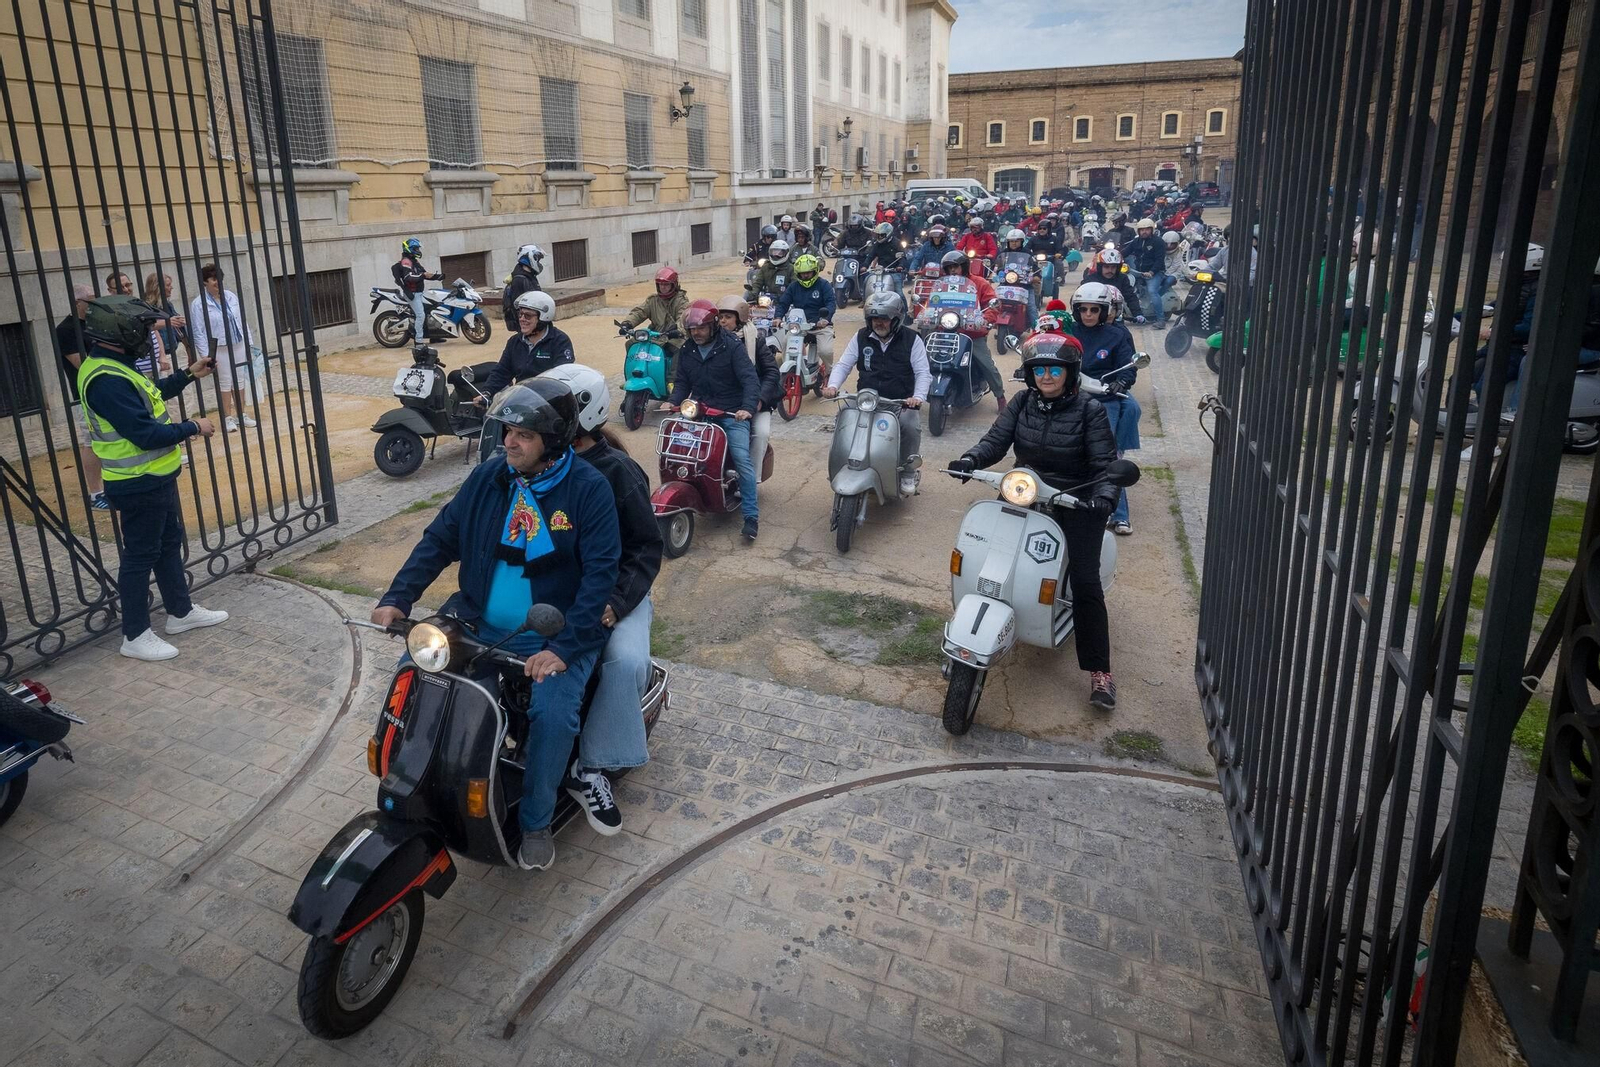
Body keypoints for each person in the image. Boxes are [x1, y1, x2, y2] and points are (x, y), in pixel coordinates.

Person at [374, 377, 620, 870]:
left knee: (552, 716)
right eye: (507, 430)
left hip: (555, 634)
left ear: (551, 441)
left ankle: (534, 821)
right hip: (477, 618)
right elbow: (440, 538)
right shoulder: (490, 478)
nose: (509, 441)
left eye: (523, 435)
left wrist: (565, 648)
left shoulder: (588, 489)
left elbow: (599, 578)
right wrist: (398, 598)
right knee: (416, 669)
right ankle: (408, 778)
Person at [948, 332, 1121, 710]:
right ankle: (973, 635)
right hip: (1023, 489)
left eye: (1054, 369)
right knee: (985, 553)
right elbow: (996, 440)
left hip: (1076, 499)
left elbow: (1105, 465)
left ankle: (1100, 671)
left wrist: (1103, 498)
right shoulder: (1023, 401)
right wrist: (971, 459)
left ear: (1070, 373)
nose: (1046, 376)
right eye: (1039, 369)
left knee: (1086, 582)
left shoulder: (1089, 411)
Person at [538, 364, 661, 835]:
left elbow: (646, 547)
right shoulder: (538, 464)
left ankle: (590, 766)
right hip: (553, 591)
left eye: (553, 413)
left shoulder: (619, 473)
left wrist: (613, 603)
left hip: (616, 595)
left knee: (624, 660)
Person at [76, 295, 228, 660]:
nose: (149, 334)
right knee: (140, 556)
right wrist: (193, 425)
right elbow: (144, 433)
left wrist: (189, 374)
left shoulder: (118, 366)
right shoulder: (104, 378)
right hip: (136, 482)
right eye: (143, 328)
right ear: (120, 331)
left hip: (156, 477)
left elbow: (151, 396)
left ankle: (180, 612)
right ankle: (135, 634)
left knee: (167, 543)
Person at [661, 300, 762, 540]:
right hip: (699, 411)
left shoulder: (732, 346)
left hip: (730, 413)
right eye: (692, 329)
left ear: (713, 325)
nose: (696, 333)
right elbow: (682, 382)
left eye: (701, 328)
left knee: (742, 460)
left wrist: (746, 408)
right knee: (679, 451)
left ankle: (751, 517)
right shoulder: (687, 350)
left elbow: (749, 379)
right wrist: (671, 401)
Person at [821, 292, 929, 497]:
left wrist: (917, 397)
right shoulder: (861, 336)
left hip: (899, 402)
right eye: (874, 318)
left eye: (884, 318)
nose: (879, 323)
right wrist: (833, 385)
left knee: (910, 426)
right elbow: (844, 364)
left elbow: (923, 372)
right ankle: (842, 464)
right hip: (865, 400)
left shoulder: (912, 339)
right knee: (843, 418)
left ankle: (907, 471)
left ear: (896, 319)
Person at [1069, 283, 1139, 536]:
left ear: (1104, 310)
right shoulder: (1067, 330)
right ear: (1076, 310)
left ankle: (1119, 515)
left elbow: (1128, 366)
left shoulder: (1116, 335)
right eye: (1083, 309)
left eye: (1094, 309)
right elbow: (1045, 346)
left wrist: (1122, 380)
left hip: (1103, 399)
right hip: (1068, 395)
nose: (1088, 314)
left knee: (1106, 456)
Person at [55, 284, 107, 510]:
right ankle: (96, 494)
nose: (94, 303)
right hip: (85, 394)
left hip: (107, 388)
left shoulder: (95, 324)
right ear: (77, 303)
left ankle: (110, 486)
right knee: (92, 441)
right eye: (90, 299)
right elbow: (81, 364)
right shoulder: (66, 329)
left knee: (108, 438)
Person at [718, 295, 782, 478]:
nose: (723, 321)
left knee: (760, 434)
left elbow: (771, 372)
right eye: (720, 317)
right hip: (725, 400)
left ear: (740, 318)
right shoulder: (714, 341)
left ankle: (750, 479)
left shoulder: (755, 339)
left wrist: (759, 400)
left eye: (728, 317)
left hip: (755, 401)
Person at [189, 262, 257, 431]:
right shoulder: (199, 304)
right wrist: (206, 355)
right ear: (205, 282)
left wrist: (248, 343)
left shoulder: (230, 296)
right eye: (213, 279)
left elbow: (242, 320)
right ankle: (227, 417)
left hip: (238, 343)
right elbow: (198, 331)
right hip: (220, 348)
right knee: (225, 381)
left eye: (219, 278)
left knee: (239, 379)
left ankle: (241, 414)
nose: (217, 282)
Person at [941, 250, 1006, 413]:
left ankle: (1000, 396)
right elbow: (932, 304)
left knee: (986, 364)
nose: (953, 271)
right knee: (927, 358)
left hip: (972, 334)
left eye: (955, 267)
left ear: (964, 266)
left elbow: (993, 304)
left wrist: (985, 319)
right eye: (949, 268)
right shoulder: (942, 285)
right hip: (947, 332)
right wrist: (925, 313)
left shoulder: (980, 282)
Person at [773, 253, 836, 361]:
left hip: (820, 326)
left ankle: (829, 373)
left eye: (808, 272)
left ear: (815, 271)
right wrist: (778, 317)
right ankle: (789, 372)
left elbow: (831, 304)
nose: (805, 275)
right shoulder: (793, 287)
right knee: (786, 344)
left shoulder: (824, 285)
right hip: (799, 326)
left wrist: (825, 319)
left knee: (826, 351)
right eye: (802, 273)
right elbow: (783, 303)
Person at [619, 267, 689, 344]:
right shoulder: (652, 300)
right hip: (654, 336)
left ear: (674, 284)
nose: (663, 287)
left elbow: (683, 319)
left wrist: (678, 330)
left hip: (673, 338)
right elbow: (639, 312)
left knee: (679, 349)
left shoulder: (681, 301)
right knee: (631, 343)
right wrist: (628, 323)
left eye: (666, 284)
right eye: (660, 284)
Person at [392, 238, 441, 345]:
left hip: (419, 292)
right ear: (409, 249)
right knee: (420, 315)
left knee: (431, 310)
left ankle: (434, 336)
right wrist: (422, 276)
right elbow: (408, 277)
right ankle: (418, 340)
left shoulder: (414, 261)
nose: (418, 250)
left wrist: (437, 276)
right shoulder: (406, 262)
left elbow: (424, 273)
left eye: (418, 248)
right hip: (412, 294)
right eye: (416, 248)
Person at [1124, 220, 1168, 329]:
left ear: (1152, 230)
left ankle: (1161, 320)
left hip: (1155, 272)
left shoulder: (1158, 242)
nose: (1144, 232)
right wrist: (1115, 256)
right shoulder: (1136, 241)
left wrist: (1151, 272)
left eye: (1147, 229)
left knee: (1152, 291)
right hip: (1138, 271)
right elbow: (1125, 252)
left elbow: (1159, 260)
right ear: (1138, 231)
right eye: (1142, 230)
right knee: (1125, 285)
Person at [1082, 246, 1144, 322]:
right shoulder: (1091, 279)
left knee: (1123, 333)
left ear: (1117, 268)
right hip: (1095, 318)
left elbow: (1130, 296)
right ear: (1100, 267)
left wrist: (1138, 314)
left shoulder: (1122, 278)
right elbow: (1080, 297)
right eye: (1106, 267)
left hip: (1116, 318)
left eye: (1113, 267)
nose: (1110, 270)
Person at [143, 272, 187, 363]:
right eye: (168, 285)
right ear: (157, 287)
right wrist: (167, 322)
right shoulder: (146, 307)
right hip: (161, 354)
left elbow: (178, 327)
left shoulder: (167, 304)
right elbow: (147, 326)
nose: (171, 287)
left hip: (176, 348)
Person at [501, 244, 546, 332]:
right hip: (526, 325)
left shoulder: (529, 275)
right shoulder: (520, 279)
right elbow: (519, 307)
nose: (539, 263)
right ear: (531, 258)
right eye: (538, 259)